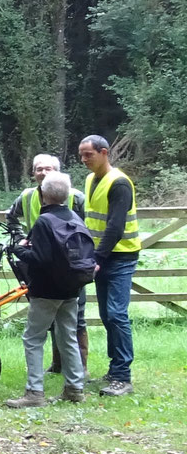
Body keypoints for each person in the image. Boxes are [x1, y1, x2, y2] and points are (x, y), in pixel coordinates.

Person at [4, 171, 93, 407]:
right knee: (67, 337)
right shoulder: (74, 216)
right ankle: (74, 389)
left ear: (43, 194)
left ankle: (34, 393)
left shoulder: (44, 221)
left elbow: (40, 258)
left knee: (33, 338)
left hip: (46, 291)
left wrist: (18, 250)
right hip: (72, 289)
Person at [79, 135, 141, 397]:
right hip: (101, 256)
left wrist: (97, 260)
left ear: (104, 153)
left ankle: (123, 377)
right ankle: (114, 369)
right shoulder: (91, 179)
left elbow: (115, 227)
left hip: (120, 256)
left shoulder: (120, 184)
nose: (84, 160)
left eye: (88, 155)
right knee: (107, 315)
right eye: (81, 155)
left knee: (116, 315)